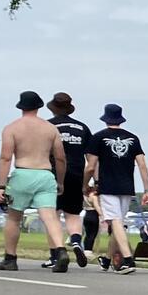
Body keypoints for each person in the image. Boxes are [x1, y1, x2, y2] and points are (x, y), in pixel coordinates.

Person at [0, 90, 71, 272]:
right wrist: (60, 181)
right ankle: (60, 250)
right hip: (45, 174)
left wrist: (1, 186)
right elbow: (60, 158)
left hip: (23, 173)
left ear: (21, 107)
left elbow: (5, 158)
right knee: (50, 216)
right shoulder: (51, 129)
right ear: (38, 107)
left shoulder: (12, 128)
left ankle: (10, 258)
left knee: (14, 217)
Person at [89, 103, 148, 274]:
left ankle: (128, 260)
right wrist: (147, 190)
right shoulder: (133, 138)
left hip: (108, 186)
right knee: (118, 223)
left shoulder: (98, 138)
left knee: (115, 222)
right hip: (127, 186)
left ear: (105, 118)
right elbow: (142, 165)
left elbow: (91, 166)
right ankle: (107, 259)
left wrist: (88, 182)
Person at [46, 91, 94, 266]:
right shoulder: (82, 128)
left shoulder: (48, 126)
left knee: (53, 215)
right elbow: (91, 159)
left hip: (53, 174)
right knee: (73, 215)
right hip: (76, 173)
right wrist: (91, 181)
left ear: (54, 108)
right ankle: (75, 241)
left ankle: (55, 255)